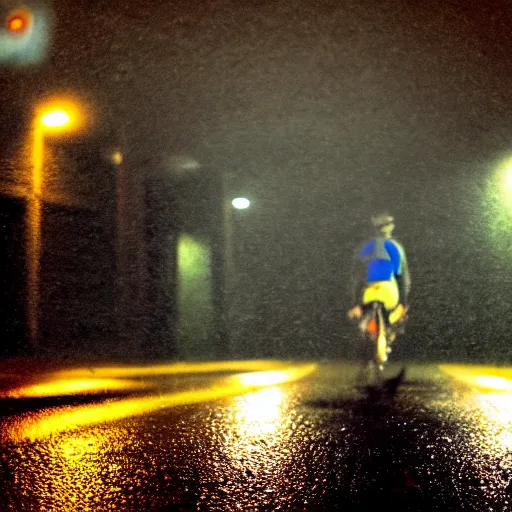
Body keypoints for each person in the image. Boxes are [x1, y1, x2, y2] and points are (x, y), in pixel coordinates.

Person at [347, 213, 410, 346]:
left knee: (362, 317)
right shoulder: (396, 247)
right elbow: (403, 279)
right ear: (391, 227)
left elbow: (356, 278)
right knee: (396, 318)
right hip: (389, 292)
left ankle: (365, 334)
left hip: (369, 291)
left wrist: (354, 304)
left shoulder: (365, 247)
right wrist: (403, 303)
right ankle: (389, 334)